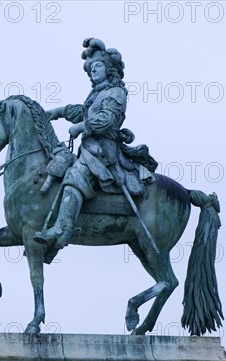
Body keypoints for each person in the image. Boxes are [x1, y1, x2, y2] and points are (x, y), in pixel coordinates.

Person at [34, 38, 154, 249]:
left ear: (109, 69)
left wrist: (82, 127)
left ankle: (62, 229)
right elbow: (83, 111)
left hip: (103, 150)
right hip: (91, 148)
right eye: (90, 69)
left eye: (97, 66)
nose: (92, 72)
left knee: (75, 173)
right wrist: (58, 112)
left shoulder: (115, 93)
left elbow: (106, 119)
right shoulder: (97, 94)